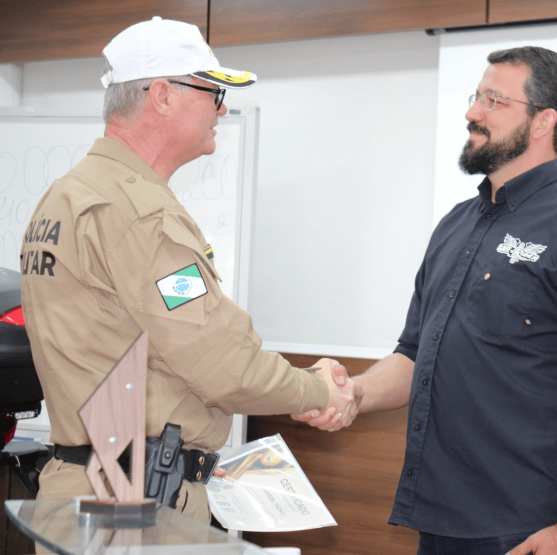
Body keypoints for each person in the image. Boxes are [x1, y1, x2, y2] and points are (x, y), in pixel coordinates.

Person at [297, 46, 557, 554]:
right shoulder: (455, 224)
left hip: (524, 527)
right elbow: (413, 354)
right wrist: (355, 393)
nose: (471, 113)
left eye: (493, 101)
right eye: (475, 96)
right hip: (438, 518)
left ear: (543, 120)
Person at [21, 17, 359, 523]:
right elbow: (225, 367)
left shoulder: (64, 196)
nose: (221, 108)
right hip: (132, 506)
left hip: (86, 490)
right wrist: (317, 389)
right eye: (212, 91)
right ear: (162, 95)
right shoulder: (140, 215)